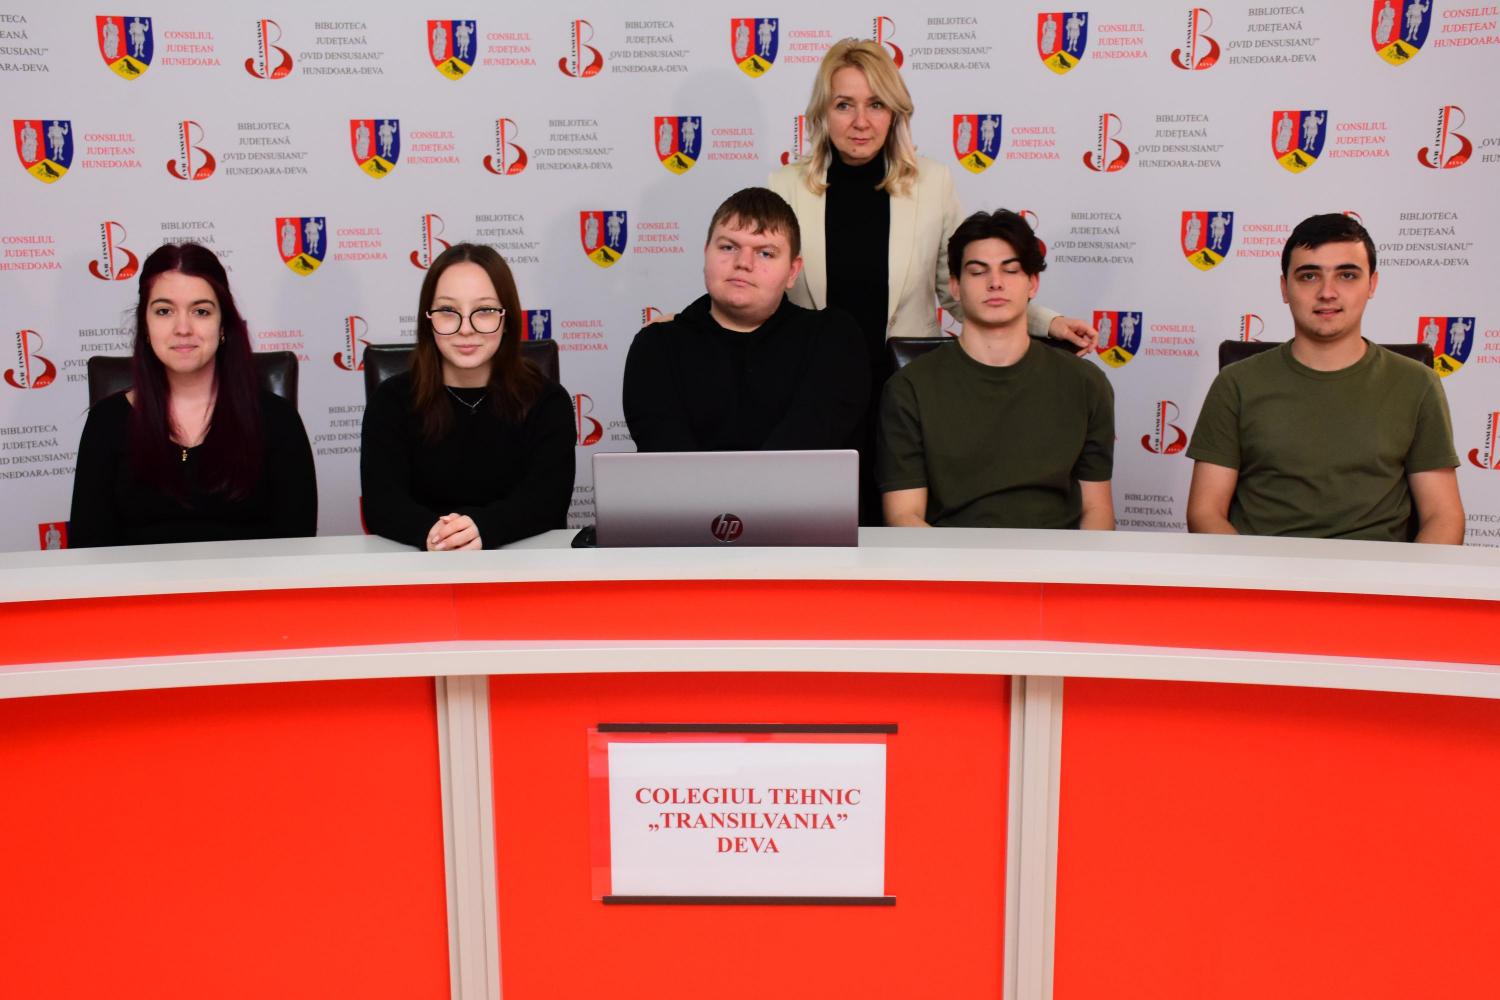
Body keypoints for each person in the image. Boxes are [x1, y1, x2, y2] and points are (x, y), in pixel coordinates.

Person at [1186, 213, 1463, 543]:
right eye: (1309, 276)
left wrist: (1404, 576)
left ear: (1372, 284)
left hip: (1376, 570)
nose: (1327, 292)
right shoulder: (1236, 383)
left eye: (1347, 275)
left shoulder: (1417, 383)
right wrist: (1254, 572)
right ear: (1284, 287)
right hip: (1263, 568)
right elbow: (1205, 512)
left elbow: (1443, 516)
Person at [878, 210, 1114, 530]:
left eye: (1011, 270)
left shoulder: (1085, 383)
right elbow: (904, 516)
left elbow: (1097, 509)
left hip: (1057, 557)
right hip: (950, 555)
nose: (995, 283)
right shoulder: (909, 388)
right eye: (978, 272)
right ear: (955, 286)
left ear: (1032, 283)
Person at [69, 243, 317, 547]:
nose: (183, 328)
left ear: (223, 325)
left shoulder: (279, 421)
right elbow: (88, 551)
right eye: (164, 311)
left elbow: (298, 549)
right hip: (139, 580)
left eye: (201, 311)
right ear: (145, 325)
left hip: (249, 579)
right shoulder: (106, 422)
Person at [361, 242, 574, 550]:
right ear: (428, 320)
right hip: (421, 565)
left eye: (484, 311)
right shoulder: (391, 401)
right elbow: (382, 503)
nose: (466, 329)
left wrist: (485, 528)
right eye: (448, 311)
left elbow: (547, 499)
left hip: (523, 566)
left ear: (507, 319)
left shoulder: (547, 401)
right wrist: (436, 535)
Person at [622, 187, 867, 452]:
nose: (743, 263)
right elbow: (670, 461)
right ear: (706, 254)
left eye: (765, 253)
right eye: (728, 247)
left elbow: (805, 449)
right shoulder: (658, 346)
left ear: (792, 271)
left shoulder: (832, 339)